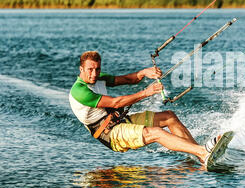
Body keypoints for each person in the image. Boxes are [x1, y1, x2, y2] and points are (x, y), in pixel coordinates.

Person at [69, 51, 219, 166]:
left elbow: (128, 79)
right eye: (90, 69)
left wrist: (144, 72)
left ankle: (201, 157)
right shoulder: (79, 91)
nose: (94, 74)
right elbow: (116, 103)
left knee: (169, 116)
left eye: (97, 69)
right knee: (156, 133)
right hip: (109, 134)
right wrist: (146, 92)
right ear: (81, 69)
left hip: (118, 121)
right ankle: (203, 152)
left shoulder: (99, 77)